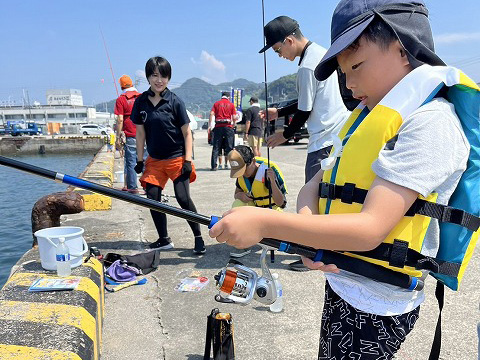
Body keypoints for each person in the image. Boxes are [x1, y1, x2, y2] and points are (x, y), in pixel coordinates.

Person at [210, 0, 478, 358]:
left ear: (402, 47)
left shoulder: (431, 123)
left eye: (355, 67)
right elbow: (312, 186)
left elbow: (370, 229)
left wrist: (265, 222)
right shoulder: (366, 119)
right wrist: (306, 229)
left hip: (379, 303)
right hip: (343, 281)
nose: (349, 85)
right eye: (343, 72)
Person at [259, 15, 350, 271]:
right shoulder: (321, 53)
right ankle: (326, 249)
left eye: (278, 50)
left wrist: (284, 135)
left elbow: (304, 111)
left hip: (322, 141)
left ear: (289, 40)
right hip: (338, 135)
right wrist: (279, 111)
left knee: (312, 200)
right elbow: (307, 102)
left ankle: (314, 253)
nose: (279, 56)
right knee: (330, 197)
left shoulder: (306, 67)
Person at [131, 56, 206, 255]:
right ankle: (164, 239)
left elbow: (187, 133)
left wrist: (188, 160)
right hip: (154, 160)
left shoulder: (175, 101)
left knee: (183, 198)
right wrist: (139, 160)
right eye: (155, 75)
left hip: (177, 158)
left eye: (163, 76)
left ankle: (198, 237)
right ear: (148, 77)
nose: (159, 80)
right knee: (152, 198)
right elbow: (140, 133)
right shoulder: (140, 103)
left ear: (168, 78)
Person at [227, 145, 287, 258]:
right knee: (237, 205)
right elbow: (236, 194)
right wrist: (242, 196)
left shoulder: (267, 171)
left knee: (275, 239)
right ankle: (245, 241)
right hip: (256, 209)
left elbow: (281, 203)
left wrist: (273, 182)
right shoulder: (241, 175)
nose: (243, 173)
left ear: (253, 161)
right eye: (240, 171)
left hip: (272, 212)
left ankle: (267, 234)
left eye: (244, 169)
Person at [114, 75, 142, 193]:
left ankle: (132, 187)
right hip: (144, 133)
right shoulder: (141, 97)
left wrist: (118, 135)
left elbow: (120, 119)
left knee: (131, 161)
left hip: (130, 134)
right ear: (132, 84)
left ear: (121, 86)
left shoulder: (121, 99)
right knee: (145, 159)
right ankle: (148, 186)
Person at [209, 92, 237, 171]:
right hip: (228, 126)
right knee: (230, 147)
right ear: (228, 97)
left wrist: (210, 126)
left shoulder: (216, 104)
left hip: (218, 126)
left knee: (216, 147)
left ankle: (214, 166)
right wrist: (234, 125)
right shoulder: (231, 104)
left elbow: (211, 114)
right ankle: (233, 165)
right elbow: (234, 117)